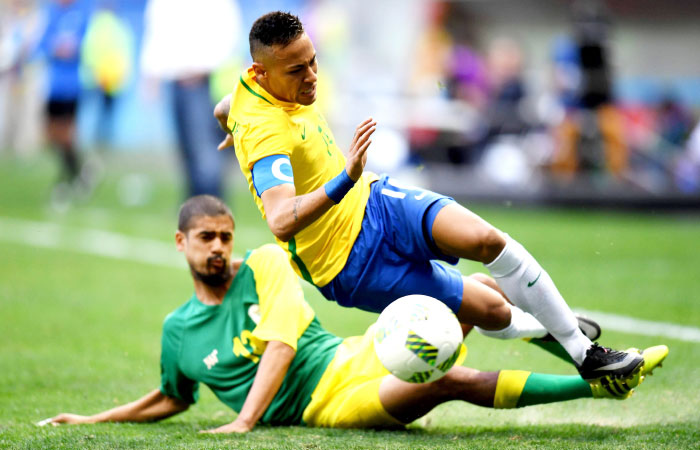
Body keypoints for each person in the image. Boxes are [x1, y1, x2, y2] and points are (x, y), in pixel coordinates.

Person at [213, 11, 644, 383]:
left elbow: (226, 107)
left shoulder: (252, 90)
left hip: (375, 201)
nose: (310, 77)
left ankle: (586, 355)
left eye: (313, 62)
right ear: (262, 72)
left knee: (487, 241)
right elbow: (281, 220)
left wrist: (233, 126)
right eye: (296, 71)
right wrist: (341, 174)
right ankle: (541, 327)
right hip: (348, 265)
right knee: (487, 309)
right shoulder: (266, 133)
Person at [41, 195, 667, 433]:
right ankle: (591, 383)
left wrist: (243, 423)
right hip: (327, 407)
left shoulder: (265, 262)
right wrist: (92, 417)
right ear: (181, 244)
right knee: (442, 378)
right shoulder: (177, 332)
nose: (219, 247)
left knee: (469, 292)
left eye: (225, 235)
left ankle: (581, 352)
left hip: (348, 354)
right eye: (206, 238)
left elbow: (283, 345)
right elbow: (171, 397)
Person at [140, 0, 240, 199]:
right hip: (177, 81)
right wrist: (151, 73)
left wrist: (203, 67)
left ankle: (211, 203)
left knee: (205, 153)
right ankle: (195, 203)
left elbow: (228, 33)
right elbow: (156, 30)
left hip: (205, 82)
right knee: (187, 149)